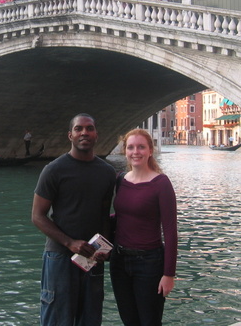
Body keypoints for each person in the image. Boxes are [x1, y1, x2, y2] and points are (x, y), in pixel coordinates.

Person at [32, 114, 116, 326]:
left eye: (89, 129)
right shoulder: (53, 170)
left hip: (91, 258)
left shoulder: (107, 172)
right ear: (70, 135)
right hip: (59, 256)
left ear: (96, 135)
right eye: (79, 129)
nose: (84, 133)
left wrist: (104, 249)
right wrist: (70, 242)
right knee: (57, 319)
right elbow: (37, 216)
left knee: (90, 318)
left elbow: (104, 214)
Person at [110, 128, 178, 326]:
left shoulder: (161, 183)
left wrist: (168, 274)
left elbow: (171, 231)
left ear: (150, 150)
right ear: (125, 151)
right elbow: (123, 215)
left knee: (149, 321)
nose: (135, 152)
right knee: (129, 320)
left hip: (149, 263)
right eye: (131, 147)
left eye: (141, 147)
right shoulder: (121, 179)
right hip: (119, 261)